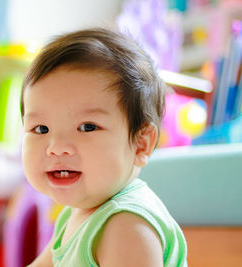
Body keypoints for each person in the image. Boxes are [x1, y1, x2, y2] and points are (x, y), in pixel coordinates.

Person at [20, 28, 187, 266]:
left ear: (141, 144)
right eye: (41, 129)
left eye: (87, 127)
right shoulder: (74, 214)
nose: (56, 148)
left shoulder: (127, 225)